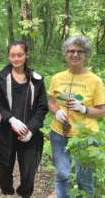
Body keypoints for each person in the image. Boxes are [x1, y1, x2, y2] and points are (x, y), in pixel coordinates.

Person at [48, 36, 105, 198]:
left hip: (86, 136)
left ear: (86, 55)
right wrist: (56, 111)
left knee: (84, 177)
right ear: (65, 54)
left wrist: (84, 110)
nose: (75, 55)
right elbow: (51, 104)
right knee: (61, 174)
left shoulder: (95, 80)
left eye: (80, 51)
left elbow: (102, 111)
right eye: (71, 51)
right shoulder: (57, 78)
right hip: (59, 133)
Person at [0, 40, 48, 198]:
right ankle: (7, 192)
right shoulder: (1, 78)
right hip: (6, 132)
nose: (16, 58)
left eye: (20, 55)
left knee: (28, 170)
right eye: (12, 55)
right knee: (5, 166)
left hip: (28, 133)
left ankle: (25, 193)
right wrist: (11, 119)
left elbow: (42, 107)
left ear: (27, 55)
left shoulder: (36, 80)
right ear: (8, 56)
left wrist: (31, 129)